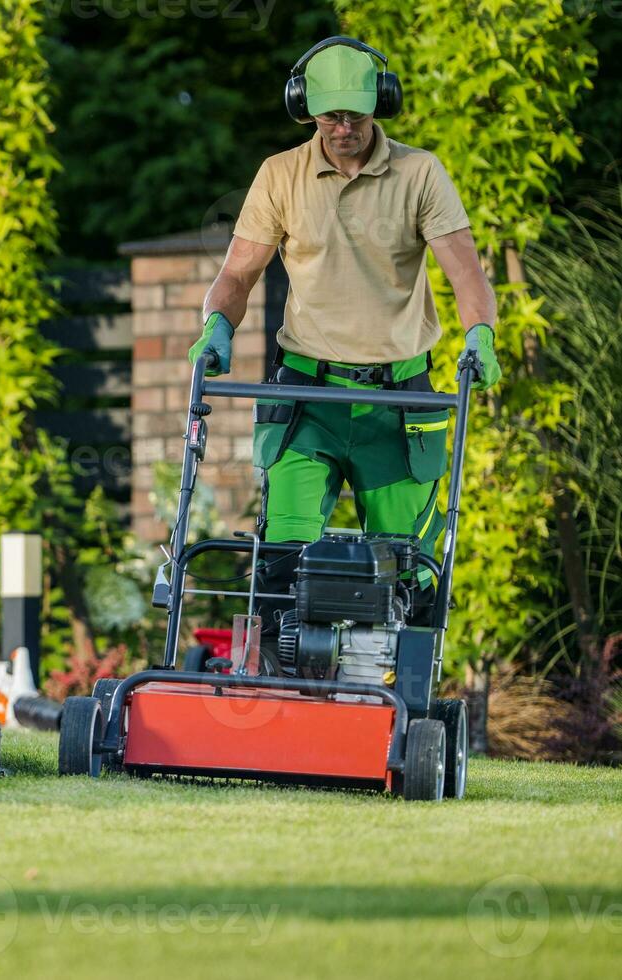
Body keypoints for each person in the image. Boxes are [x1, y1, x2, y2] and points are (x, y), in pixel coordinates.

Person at [188, 36, 501, 663]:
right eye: (330, 114)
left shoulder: (420, 174)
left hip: (400, 402)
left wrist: (480, 335)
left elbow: (466, 272)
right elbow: (239, 273)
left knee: (404, 566)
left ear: (380, 103)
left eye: (356, 113)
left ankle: (391, 692)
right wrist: (217, 326)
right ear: (306, 107)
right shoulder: (281, 175)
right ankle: (279, 683)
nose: (343, 127)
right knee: (282, 556)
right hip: (308, 396)